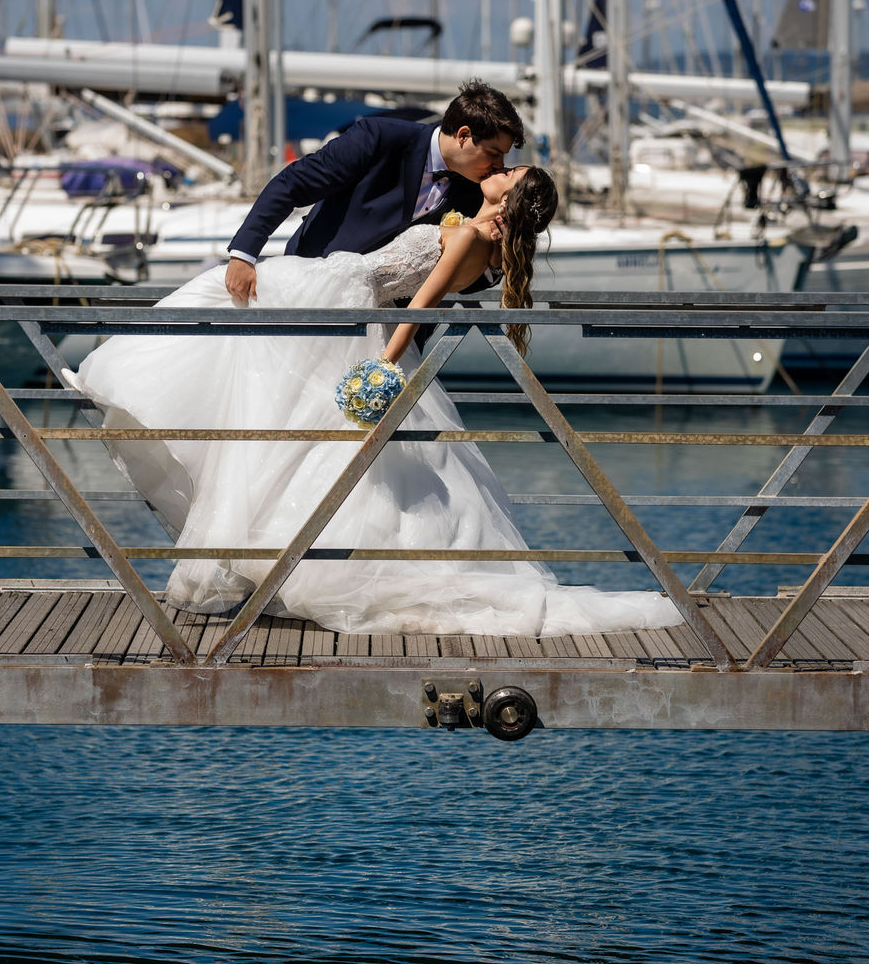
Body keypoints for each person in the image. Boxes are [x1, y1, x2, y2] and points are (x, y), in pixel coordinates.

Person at [65, 163, 684, 639]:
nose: (500, 168)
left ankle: (129, 391)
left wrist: (384, 367)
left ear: (510, 196)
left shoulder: (471, 236)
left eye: (510, 172)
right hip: (344, 292)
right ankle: (267, 546)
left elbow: (422, 304)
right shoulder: (479, 236)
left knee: (227, 328)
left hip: (345, 296)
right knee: (272, 402)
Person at [224, 78, 525, 306]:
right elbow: (293, 183)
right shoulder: (378, 138)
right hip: (308, 291)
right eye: (494, 153)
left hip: (387, 328)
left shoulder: (478, 190)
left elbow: (458, 278)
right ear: (463, 135)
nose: (499, 166)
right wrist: (244, 255)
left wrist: (494, 262)